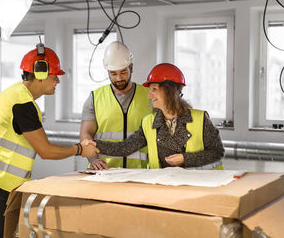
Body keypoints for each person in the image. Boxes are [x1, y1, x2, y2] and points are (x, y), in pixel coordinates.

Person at [0, 43, 99, 238]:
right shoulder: (22, 104)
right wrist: (80, 150)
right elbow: (46, 151)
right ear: (41, 74)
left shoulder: (16, 94)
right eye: (54, 76)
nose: (57, 81)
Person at [89, 63, 224, 170]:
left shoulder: (200, 119)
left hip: (199, 190)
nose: (149, 95)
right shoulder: (149, 123)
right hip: (164, 189)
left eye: (154, 89)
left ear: (169, 91)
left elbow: (217, 152)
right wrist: (95, 144)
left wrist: (185, 158)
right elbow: (125, 148)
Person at [80, 41, 151, 170]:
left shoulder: (150, 96)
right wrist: (94, 160)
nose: (118, 78)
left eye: (123, 72)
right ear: (107, 71)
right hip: (104, 170)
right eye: (113, 73)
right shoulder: (95, 98)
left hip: (140, 172)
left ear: (131, 67)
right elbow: (86, 134)